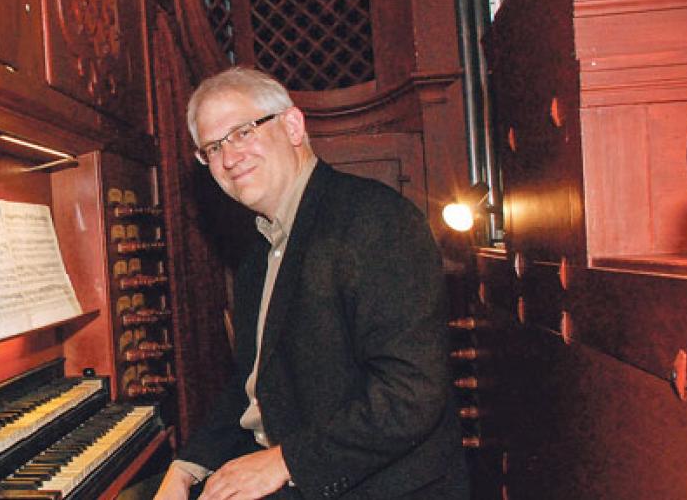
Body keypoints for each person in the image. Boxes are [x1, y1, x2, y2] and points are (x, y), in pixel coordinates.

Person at [154, 67, 469, 500]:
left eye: (243, 133)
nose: (229, 158)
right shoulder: (257, 258)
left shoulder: (373, 219)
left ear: (293, 125)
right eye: (212, 147)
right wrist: (186, 467)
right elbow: (254, 385)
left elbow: (410, 396)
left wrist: (283, 462)